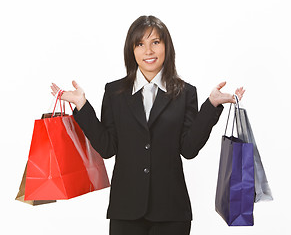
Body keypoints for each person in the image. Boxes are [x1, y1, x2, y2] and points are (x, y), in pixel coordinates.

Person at [51, 15, 245, 235]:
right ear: (131, 50)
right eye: (140, 44)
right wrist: (82, 106)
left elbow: (189, 149)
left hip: (171, 211)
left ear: (166, 47)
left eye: (155, 42)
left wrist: (211, 106)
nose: (148, 51)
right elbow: (107, 148)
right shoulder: (114, 92)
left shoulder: (185, 92)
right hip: (126, 211)